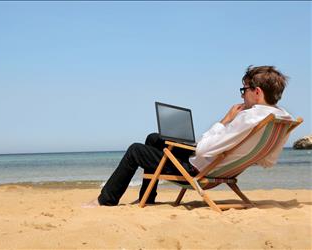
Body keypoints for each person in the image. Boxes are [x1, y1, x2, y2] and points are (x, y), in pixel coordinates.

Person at [96, 65, 292, 206]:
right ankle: (147, 198)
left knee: (135, 150)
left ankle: (105, 200)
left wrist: (225, 120)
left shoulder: (248, 118)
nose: (242, 95)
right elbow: (268, 161)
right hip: (220, 168)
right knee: (154, 138)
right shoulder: (282, 118)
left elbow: (203, 149)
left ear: (257, 92)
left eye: (244, 90)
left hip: (195, 169)